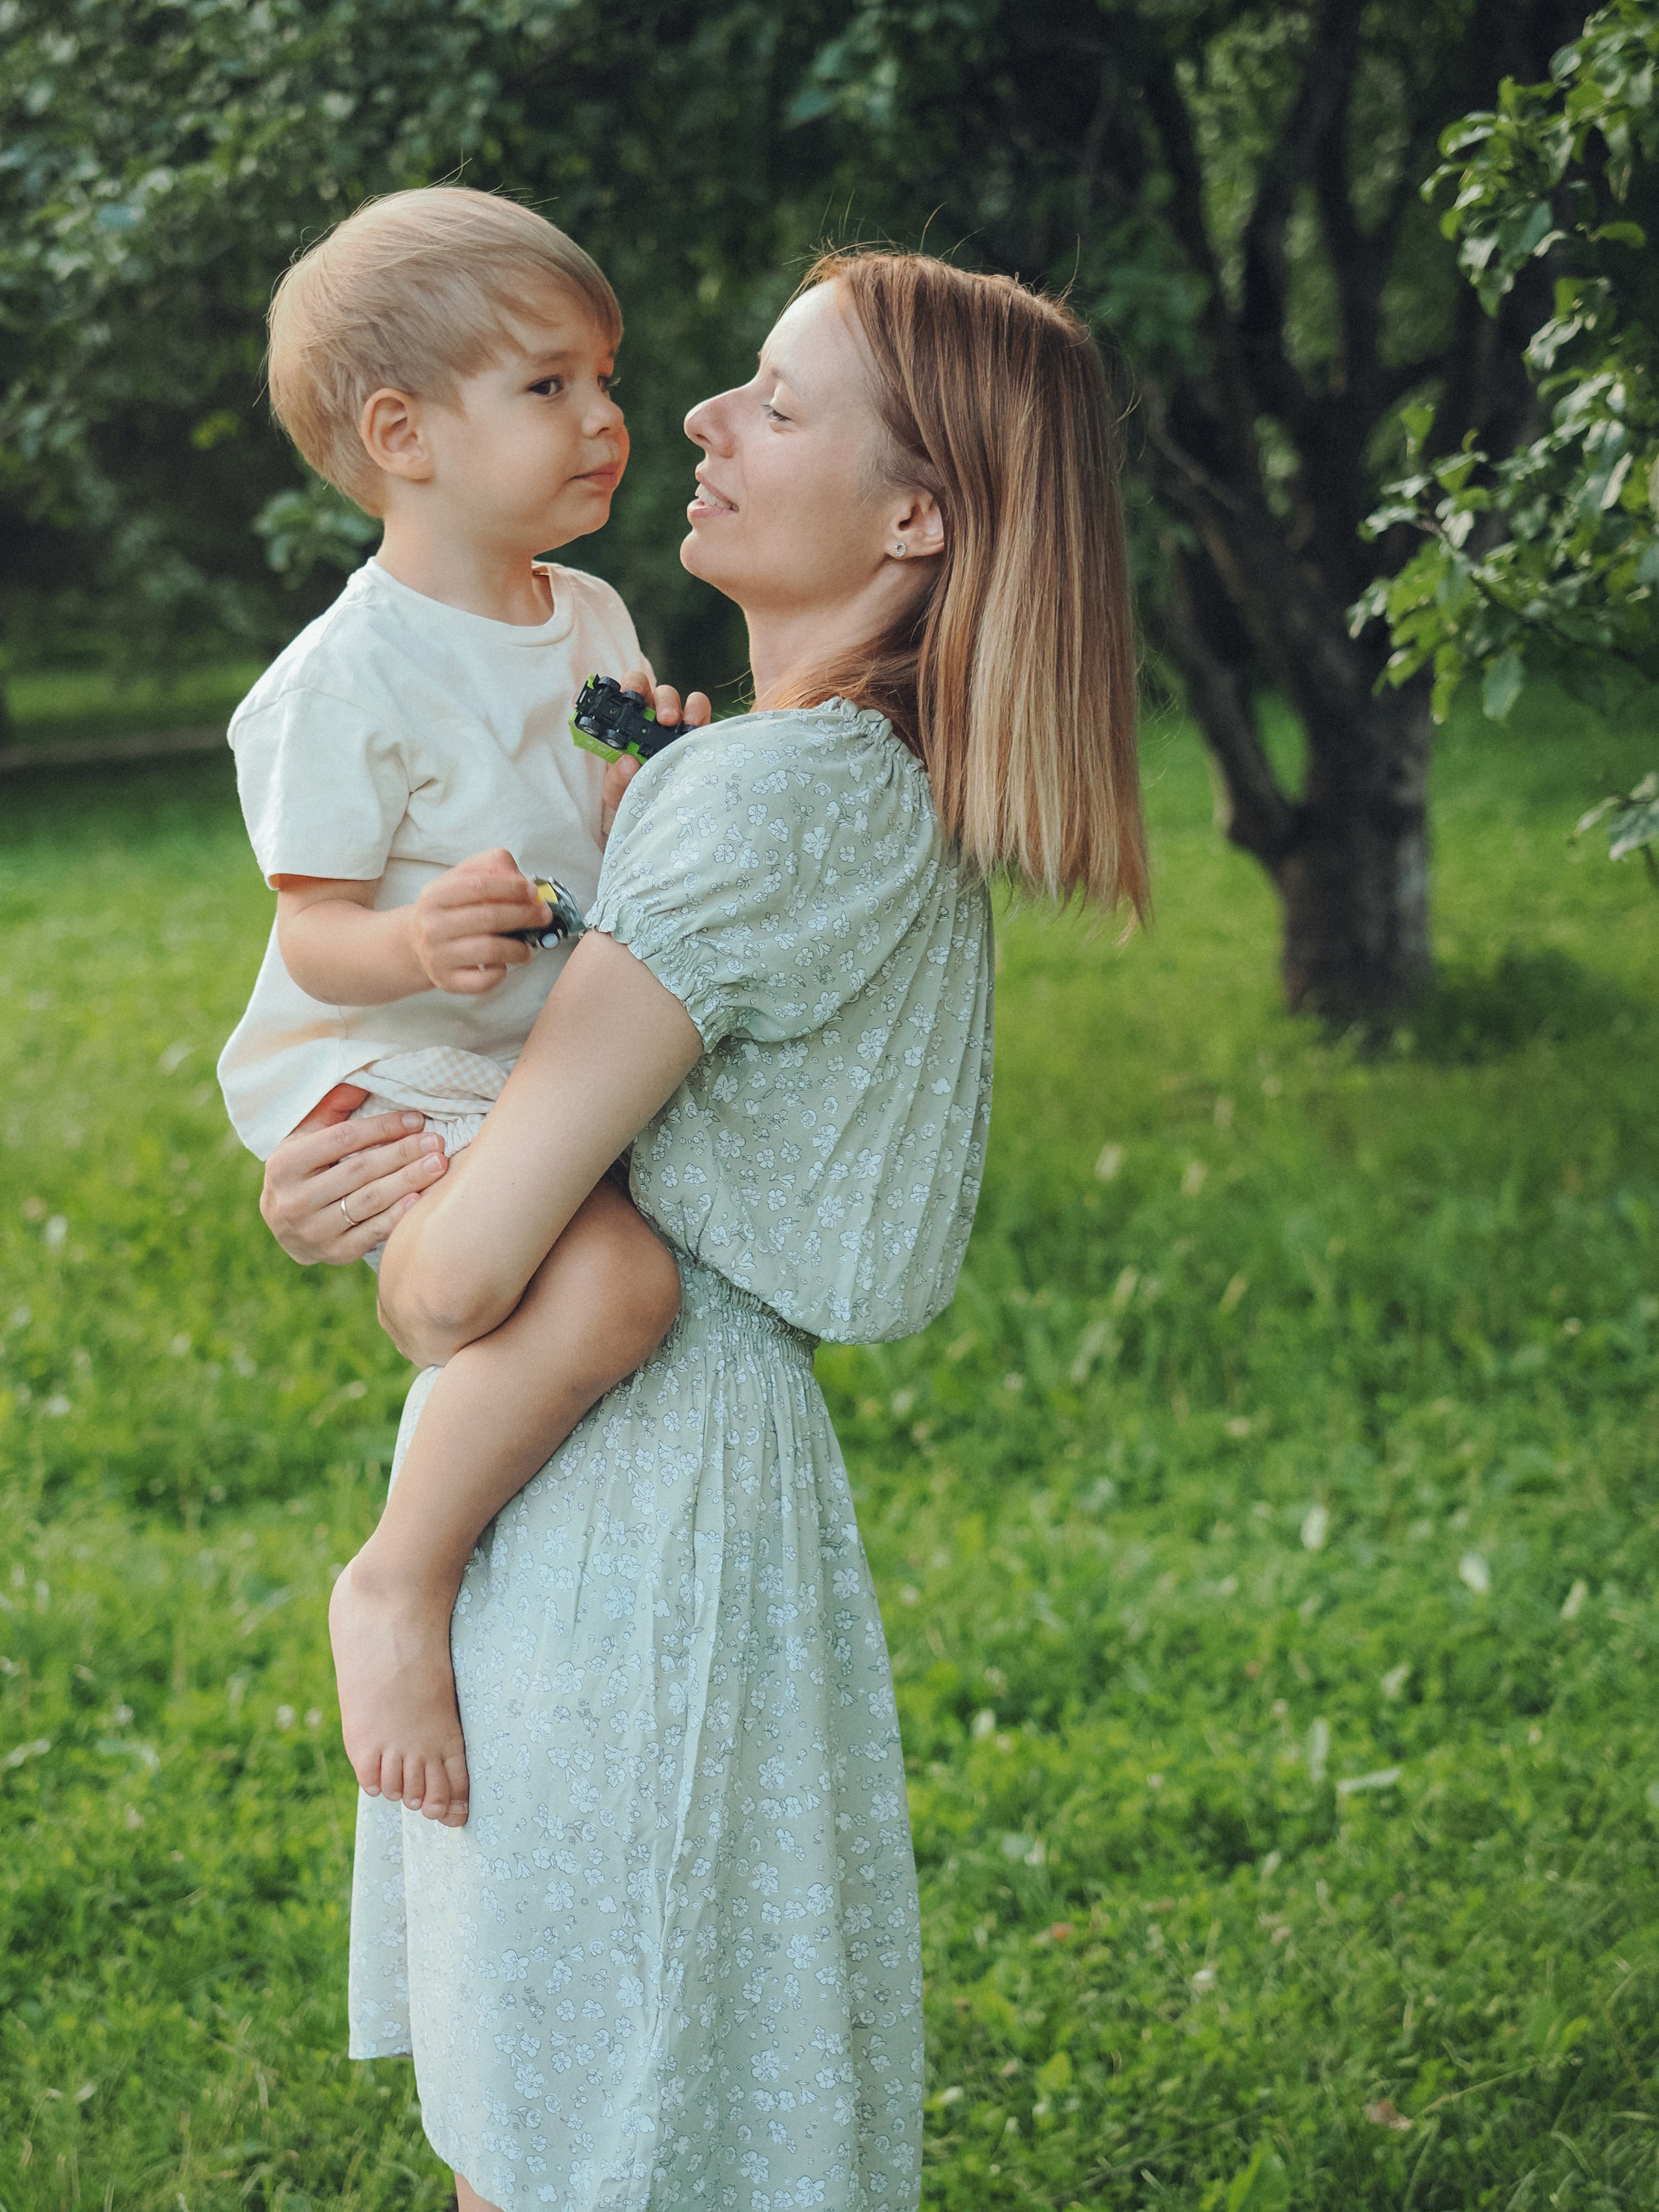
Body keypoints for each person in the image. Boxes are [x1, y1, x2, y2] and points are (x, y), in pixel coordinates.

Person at [262, 248, 1145, 2212]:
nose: (696, 419)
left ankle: (378, 1584)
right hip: (692, 1493)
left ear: (917, 514)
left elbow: (463, 1279)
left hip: (627, 1514)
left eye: (775, 397)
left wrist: (366, 1206)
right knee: (628, 2101)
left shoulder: (759, 803)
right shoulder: (842, 777)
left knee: (585, 2129)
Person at [217, 185, 690, 1832]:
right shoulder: (342, 682)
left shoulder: (593, 618)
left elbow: (605, 835)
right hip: (395, 1056)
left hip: (528, 1048)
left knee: (610, 1267)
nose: (608, 418)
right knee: (617, 1284)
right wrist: (422, 939)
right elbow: (318, 940)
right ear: (403, 433)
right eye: (548, 385)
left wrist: (658, 779)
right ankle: (395, 1582)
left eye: (605, 378)